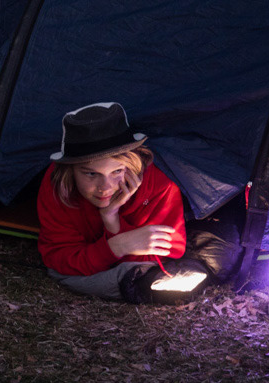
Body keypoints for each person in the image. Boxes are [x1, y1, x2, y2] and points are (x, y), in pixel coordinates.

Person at [35, 101, 204, 303]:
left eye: (116, 171)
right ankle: (138, 285)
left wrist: (112, 222)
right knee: (61, 273)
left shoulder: (160, 185)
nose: (105, 187)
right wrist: (117, 246)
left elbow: (166, 254)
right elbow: (59, 258)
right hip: (96, 266)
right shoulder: (58, 185)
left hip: (118, 265)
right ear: (70, 171)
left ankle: (139, 283)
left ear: (131, 164)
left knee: (142, 272)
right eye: (91, 174)